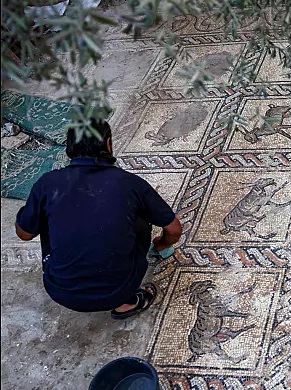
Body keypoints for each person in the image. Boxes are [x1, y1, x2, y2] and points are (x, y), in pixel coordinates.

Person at [14, 119, 182, 319]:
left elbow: (24, 233)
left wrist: (31, 210)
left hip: (61, 291)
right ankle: (126, 304)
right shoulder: (130, 184)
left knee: (50, 222)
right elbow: (174, 229)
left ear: (69, 147)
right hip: (118, 291)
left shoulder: (47, 184)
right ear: (108, 144)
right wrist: (161, 244)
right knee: (139, 218)